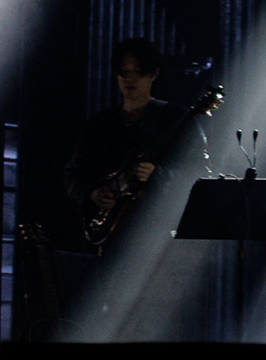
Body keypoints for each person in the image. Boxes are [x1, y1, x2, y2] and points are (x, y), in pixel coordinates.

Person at [62, 37, 197, 253]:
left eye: (138, 72)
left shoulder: (176, 119)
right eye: (123, 72)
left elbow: (198, 175)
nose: (129, 79)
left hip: (157, 238)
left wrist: (159, 175)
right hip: (104, 239)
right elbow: (72, 175)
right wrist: (92, 194)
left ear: (154, 73)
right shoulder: (99, 124)